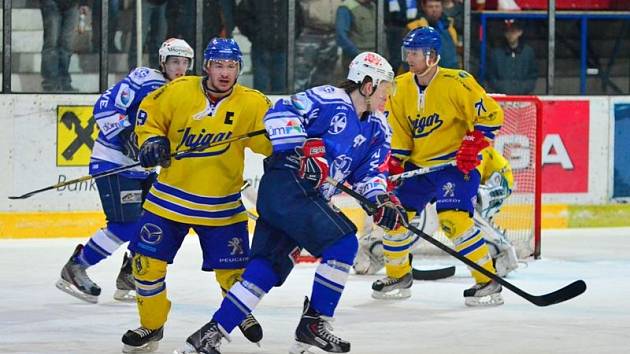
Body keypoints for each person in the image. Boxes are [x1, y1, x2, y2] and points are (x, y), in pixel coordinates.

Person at [177, 52, 404, 354]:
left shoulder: (378, 128)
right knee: (343, 243)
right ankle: (315, 323)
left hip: (305, 199)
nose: (388, 95)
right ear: (366, 84)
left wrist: (381, 200)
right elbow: (281, 111)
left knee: (265, 269)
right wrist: (303, 146)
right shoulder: (328, 99)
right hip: (288, 183)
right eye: (384, 88)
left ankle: (209, 335)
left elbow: (370, 172)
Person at [120, 38, 270, 353]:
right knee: (145, 266)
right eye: (219, 65)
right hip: (168, 200)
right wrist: (151, 141)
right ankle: (151, 325)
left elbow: (270, 142)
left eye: (231, 66)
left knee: (234, 273)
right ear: (206, 66)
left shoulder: (253, 103)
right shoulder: (178, 90)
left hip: (222, 206)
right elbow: (148, 119)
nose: (225, 73)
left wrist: (295, 143)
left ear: (239, 68)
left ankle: (235, 312)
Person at [56, 38, 195, 304]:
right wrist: (128, 135)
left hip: (142, 169)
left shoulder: (185, 91)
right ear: (162, 62)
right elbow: (105, 107)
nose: (180, 68)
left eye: (185, 63)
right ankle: (76, 267)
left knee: (156, 221)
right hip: (113, 163)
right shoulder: (145, 79)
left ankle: (128, 276)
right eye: (175, 62)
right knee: (125, 225)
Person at [375, 26, 505, 307]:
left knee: (453, 220)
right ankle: (398, 276)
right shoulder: (400, 86)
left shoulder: (458, 81)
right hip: (420, 168)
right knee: (393, 216)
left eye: (415, 53)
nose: (409, 58)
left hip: (454, 166)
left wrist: (472, 143)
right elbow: (398, 130)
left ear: (432, 56)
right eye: (407, 52)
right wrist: (395, 162)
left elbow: (492, 114)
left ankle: (487, 280)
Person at [354, 146, 519, 278]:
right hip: (431, 187)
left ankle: (373, 250)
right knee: (443, 215)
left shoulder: (482, 157)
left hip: (432, 185)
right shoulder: (480, 154)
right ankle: (500, 252)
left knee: (442, 216)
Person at [235, 0, 304, 93]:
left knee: (281, 89)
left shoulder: (290, 2)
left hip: (283, 50)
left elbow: (298, 20)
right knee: (261, 89)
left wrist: (288, 38)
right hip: (261, 49)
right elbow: (242, 18)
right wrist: (256, 35)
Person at [295, 0, 343, 91]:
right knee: (302, 71)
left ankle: (320, 98)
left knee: (326, 72)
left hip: (332, 33)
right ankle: (297, 100)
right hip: (310, 32)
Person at [40, 0, 88, 92]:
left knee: (66, 45)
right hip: (51, 3)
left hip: (73, 5)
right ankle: (50, 83)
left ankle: (63, 82)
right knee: (51, 42)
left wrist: (85, 3)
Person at [487, 19, 538, 95]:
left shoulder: (528, 52)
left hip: (524, 98)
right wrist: (503, 89)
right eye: (508, 31)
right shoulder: (496, 53)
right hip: (502, 97)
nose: (510, 34)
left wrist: (522, 89)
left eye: (513, 31)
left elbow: (532, 76)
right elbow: (491, 76)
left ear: (520, 32)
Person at [406, 0, 459, 69]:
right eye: (430, 7)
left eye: (437, 6)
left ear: (442, 8)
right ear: (424, 8)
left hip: (451, 73)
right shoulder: (414, 28)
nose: (434, 10)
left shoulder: (449, 27)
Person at [335, 0, 377, 70]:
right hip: (358, 60)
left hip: (376, 58)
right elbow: (341, 36)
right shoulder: (346, 7)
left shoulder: (373, 6)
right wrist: (358, 54)